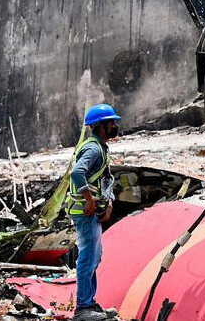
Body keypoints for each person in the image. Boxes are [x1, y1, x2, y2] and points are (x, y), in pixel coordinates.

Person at [65, 104, 121, 321]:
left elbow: (105, 178)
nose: (115, 126)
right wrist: (89, 200)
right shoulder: (94, 149)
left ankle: (89, 302)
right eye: (111, 123)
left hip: (91, 212)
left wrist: (108, 202)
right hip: (85, 212)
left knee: (94, 257)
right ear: (99, 126)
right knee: (88, 258)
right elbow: (77, 173)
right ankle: (83, 309)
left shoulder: (100, 147)